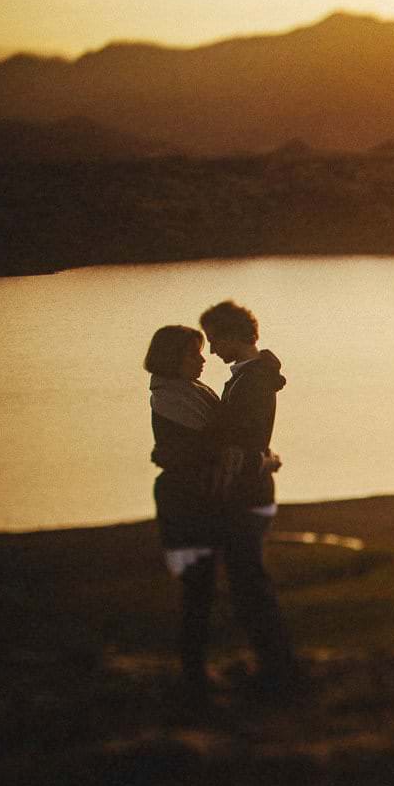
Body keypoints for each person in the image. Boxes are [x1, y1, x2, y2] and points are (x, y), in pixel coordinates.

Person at [197, 299, 299, 699]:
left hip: (247, 495)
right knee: (248, 582)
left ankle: (278, 672)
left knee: (249, 584)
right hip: (251, 491)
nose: (212, 350)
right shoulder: (250, 376)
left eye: (214, 340)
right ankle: (275, 667)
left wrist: (253, 460)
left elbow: (243, 441)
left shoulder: (252, 381)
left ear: (232, 335)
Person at [144, 324, 225, 706]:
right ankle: (193, 676)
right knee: (197, 587)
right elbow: (214, 440)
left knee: (203, 587)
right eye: (194, 353)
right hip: (183, 504)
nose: (202, 359)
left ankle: (196, 671)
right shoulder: (170, 398)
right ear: (171, 357)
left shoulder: (190, 392)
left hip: (196, 500)